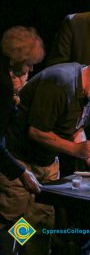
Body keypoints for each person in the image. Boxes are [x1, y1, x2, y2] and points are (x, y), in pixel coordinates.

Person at [0, 58, 90, 255]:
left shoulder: (89, 92)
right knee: (13, 223)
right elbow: (37, 131)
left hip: (47, 163)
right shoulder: (59, 83)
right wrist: (76, 150)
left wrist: (89, 159)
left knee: (37, 224)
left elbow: (77, 127)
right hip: (19, 162)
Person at [0, 26, 45, 254]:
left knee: (28, 220)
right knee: (10, 217)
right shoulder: (4, 85)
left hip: (28, 162)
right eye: (28, 64)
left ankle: (15, 248)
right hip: (14, 159)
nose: (31, 69)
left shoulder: (14, 83)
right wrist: (19, 170)